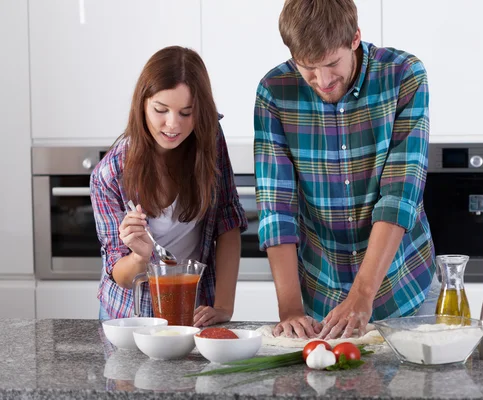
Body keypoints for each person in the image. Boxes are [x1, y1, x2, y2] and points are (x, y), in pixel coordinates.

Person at [253, 0, 439, 340]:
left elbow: (400, 195)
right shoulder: (274, 92)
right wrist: (291, 310)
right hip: (320, 299)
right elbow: (276, 207)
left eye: (331, 64)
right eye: (307, 67)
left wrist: (361, 296)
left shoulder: (404, 76)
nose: (322, 80)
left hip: (405, 290)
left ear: (355, 38)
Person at [91, 46, 247, 327]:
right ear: (142, 104)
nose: (173, 125)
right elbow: (120, 275)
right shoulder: (109, 175)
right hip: (131, 316)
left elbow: (228, 222)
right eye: (160, 110)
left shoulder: (208, 138)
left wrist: (224, 306)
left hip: (195, 308)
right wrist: (140, 255)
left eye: (186, 113)